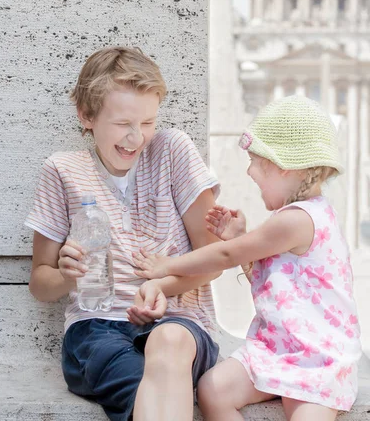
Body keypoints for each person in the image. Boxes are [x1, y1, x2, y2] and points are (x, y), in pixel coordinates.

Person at [25, 46, 242, 421]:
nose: (136, 138)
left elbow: (214, 262)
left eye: (147, 123)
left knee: (169, 342)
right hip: (96, 329)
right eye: (123, 124)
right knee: (143, 382)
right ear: (86, 115)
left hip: (182, 323)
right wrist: (65, 275)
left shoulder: (173, 150)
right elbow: (40, 284)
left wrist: (162, 286)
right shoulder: (62, 170)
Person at [134, 96, 362, 421]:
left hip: (317, 359)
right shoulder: (290, 219)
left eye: (255, 161)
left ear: (283, 167)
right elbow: (267, 279)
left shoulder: (297, 221)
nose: (249, 170)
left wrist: (166, 265)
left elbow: (226, 255)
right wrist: (240, 238)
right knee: (213, 389)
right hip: (275, 349)